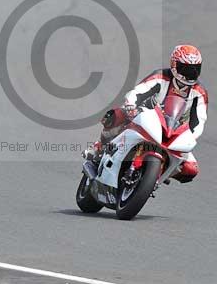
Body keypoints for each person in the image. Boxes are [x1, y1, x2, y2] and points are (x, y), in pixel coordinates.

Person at [83, 45, 208, 183]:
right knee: (116, 115)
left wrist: (191, 136)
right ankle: (98, 147)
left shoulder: (199, 93)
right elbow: (138, 91)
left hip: (174, 131)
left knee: (191, 169)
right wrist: (130, 105)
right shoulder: (161, 77)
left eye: (195, 69)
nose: (190, 74)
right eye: (186, 69)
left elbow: (199, 121)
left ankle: (159, 172)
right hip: (145, 116)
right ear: (174, 65)